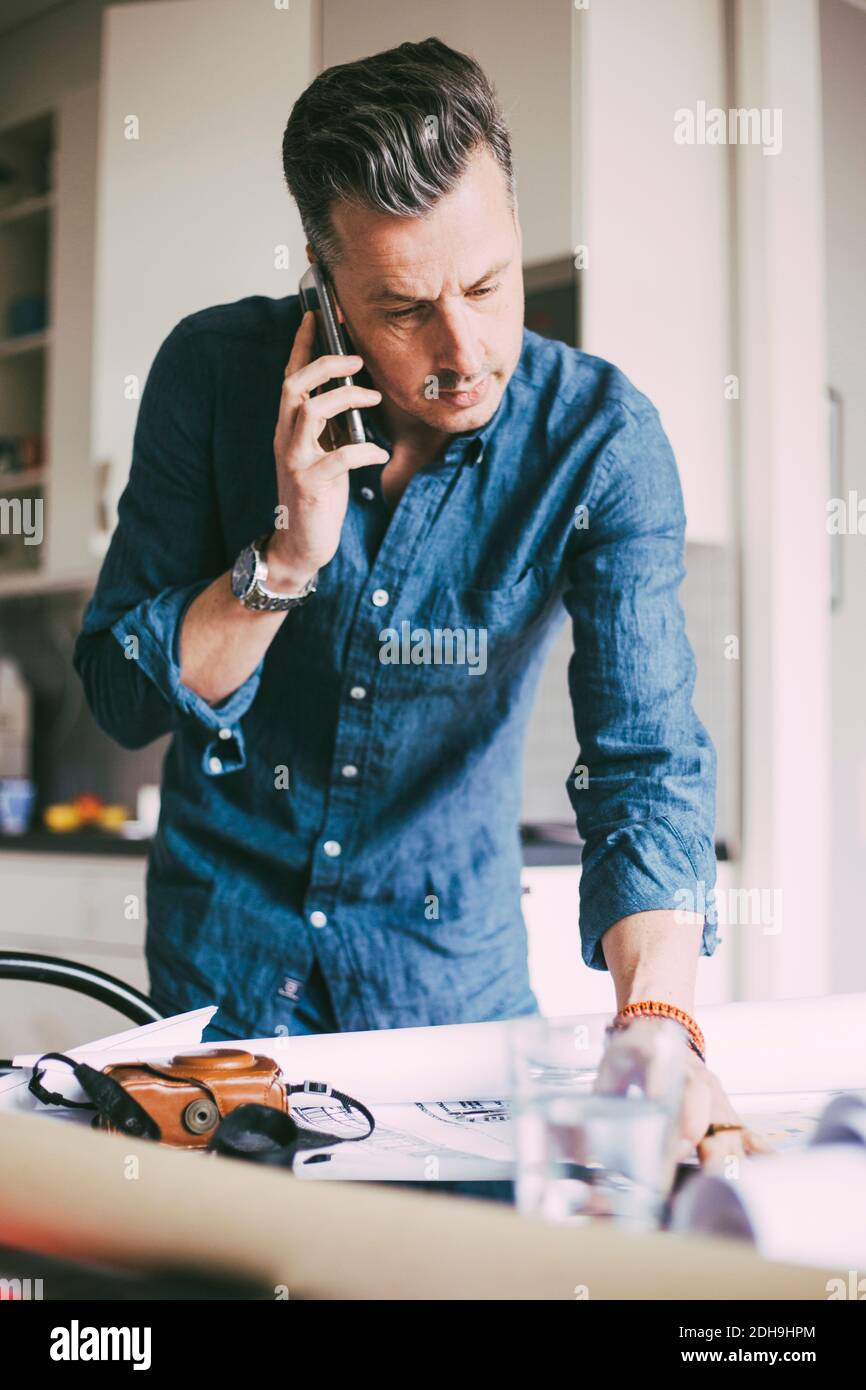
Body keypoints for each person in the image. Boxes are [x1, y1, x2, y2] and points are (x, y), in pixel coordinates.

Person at [74, 36, 764, 1165]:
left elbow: (645, 759)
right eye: (400, 309)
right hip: (224, 986)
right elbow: (119, 696)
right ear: (324, 282)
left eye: (488, 285)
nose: (463, 351)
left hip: (454, 994)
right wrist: (285, 557)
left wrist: (659, 1026)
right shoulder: (206, 375)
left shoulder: (596, 442)